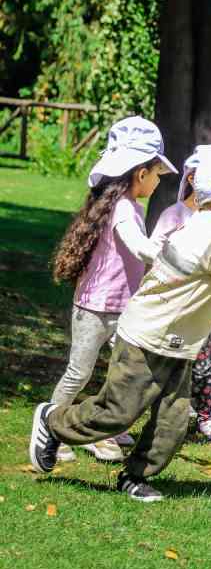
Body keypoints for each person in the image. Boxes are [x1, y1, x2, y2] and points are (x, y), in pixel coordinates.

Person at [29, 147, 211, 501]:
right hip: (147, 339)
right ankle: (53, 423)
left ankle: (134, 476)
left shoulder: (208, 225)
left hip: (178, 343)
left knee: (172, 421)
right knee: (117, 412)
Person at [47, 116, 177, 464]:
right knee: (79, 372)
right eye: (155, 174)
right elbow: (138, 247)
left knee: (119, 373)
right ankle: (51, 430)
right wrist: (170, 257)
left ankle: (103, 428)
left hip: (123, 307)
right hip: (96, 308)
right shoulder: (122, 207)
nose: (156, 182)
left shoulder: (129, 204)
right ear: (141, 173)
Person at [150, 144, 211, 442]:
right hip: (173, 303)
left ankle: (206, 415)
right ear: (193, 179)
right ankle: (165, 416)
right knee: (170, 360)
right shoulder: (175, 215)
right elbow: (155, 251)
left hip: (203, 304)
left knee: (203, 361)